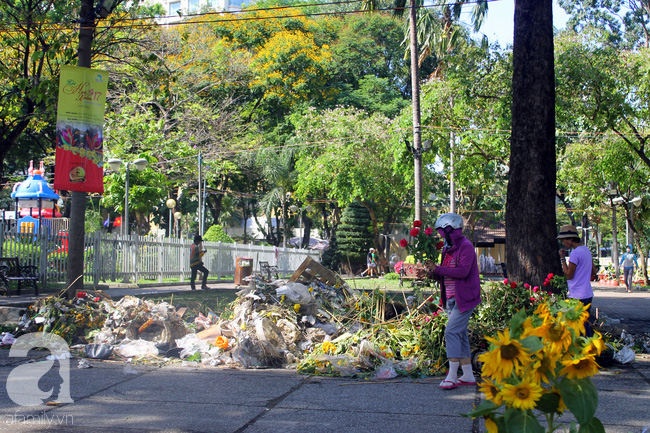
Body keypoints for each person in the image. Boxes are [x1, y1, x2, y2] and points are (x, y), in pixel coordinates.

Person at [427, 213, 481, 390]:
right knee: (460, 334)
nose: (441, 236)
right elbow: (444, 274)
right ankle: (467, 374)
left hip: (465, 298)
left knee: (451, 332)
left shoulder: (466, 246)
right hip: (450, 298)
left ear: (451, 230)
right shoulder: (447, 248)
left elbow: (463, 272)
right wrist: (431, 272)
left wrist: (439, 269)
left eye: (442, 232)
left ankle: (452, 376)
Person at [558, 224, 597, 337]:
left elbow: (569, 275)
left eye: (564, 240)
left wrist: (562, 259)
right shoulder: (586, 250)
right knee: (585, 324)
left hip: (577, 296)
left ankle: (583, 350)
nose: (563, 243)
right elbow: (593, 271)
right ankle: (590, 348)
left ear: (570, 239)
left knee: (578, 327)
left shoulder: (575, 253)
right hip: (587, 293)